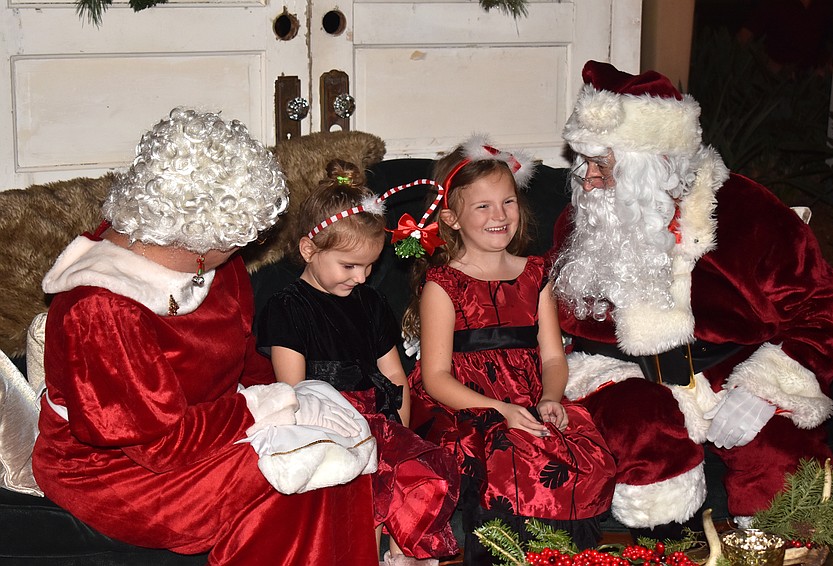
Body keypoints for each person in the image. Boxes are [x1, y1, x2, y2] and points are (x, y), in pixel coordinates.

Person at [32, 108, 378, 565]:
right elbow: (158, 445)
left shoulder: (216, 264)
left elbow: (244, 359)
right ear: (201, 231)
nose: (248, 245)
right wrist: (269, 407)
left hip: (209, 426)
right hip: (114, 469)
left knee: (332, 444)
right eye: (243, 235)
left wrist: (295, 401)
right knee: (299, 467)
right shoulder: (101, 309)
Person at [549, 60, 833, 538]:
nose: (586, 180)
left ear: (654, 162)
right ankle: (662, 548)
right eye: (583, 162)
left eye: (601, 164)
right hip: (620, 372)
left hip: (733, 370)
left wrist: (766, 387)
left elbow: (823, 308)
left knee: (781, 461)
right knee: (644, 441)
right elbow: (553, 319)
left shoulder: (747, 213)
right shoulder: (582, 221)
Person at [404, 136, 616, 565]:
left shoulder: (536, 275)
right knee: (507, 455)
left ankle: (567, 557)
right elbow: (435, 378)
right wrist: (499, 409)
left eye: (508, 202)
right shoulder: (444, 285)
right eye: (483, 206)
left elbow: (553, 357)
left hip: (531, 399)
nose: (499, 216)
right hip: (466, 408)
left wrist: (551, 398)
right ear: (452, 218)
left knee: (583, 451)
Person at [255, 160, 460, 566]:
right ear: (309, 250)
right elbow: (295, 392)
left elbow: (394, 373)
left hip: (379, 417)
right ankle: (363, 553)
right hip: (326, 421)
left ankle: (402, 556)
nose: (362, 278)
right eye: (349, 266)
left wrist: (401, 432)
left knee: (422, 469)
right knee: (363, 483)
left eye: (370, 266)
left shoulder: (371, 302)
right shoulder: (287, 308)